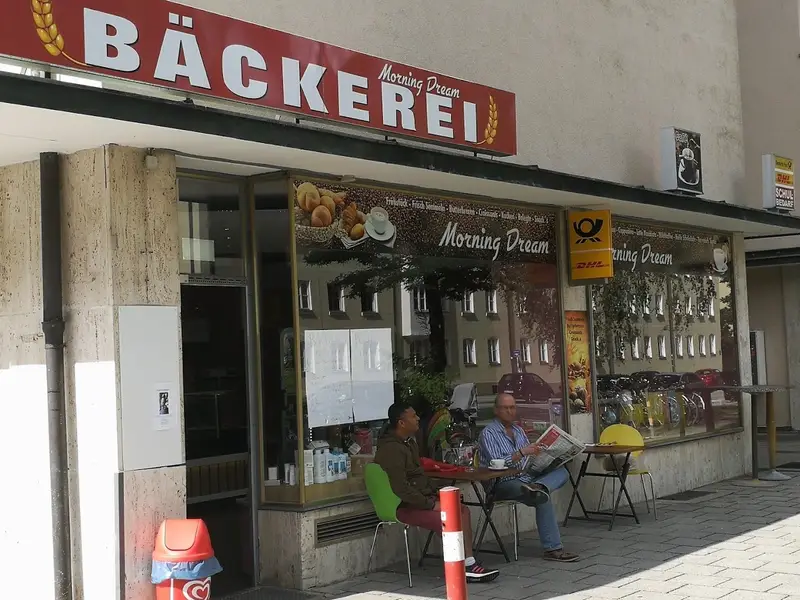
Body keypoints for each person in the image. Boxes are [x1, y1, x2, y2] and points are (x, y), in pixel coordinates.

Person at [374, 402, 500, 582]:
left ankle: (469, 563)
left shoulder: (409, 443)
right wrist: (432, 504)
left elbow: (418, 477)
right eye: (413, 416)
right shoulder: (391, 449)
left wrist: (437, 493)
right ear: (401, 423)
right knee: (448, 516)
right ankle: (459, 568)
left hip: (419, 499)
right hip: (404, 506)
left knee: (462, 510)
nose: (418, 419)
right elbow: (401, 489)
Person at [478, 393, 579, 562]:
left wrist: (542, 458)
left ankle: (539, 486)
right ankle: (553, 549)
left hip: (526, 478)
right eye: (506, 408)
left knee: (562, 472)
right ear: (496, 410)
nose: (510, 411)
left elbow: (527, 460)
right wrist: (521, 453)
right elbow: (498, 463)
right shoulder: (488, 433)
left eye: (513, 407)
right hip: (502, 483)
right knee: (542, 497)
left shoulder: (518, 430)